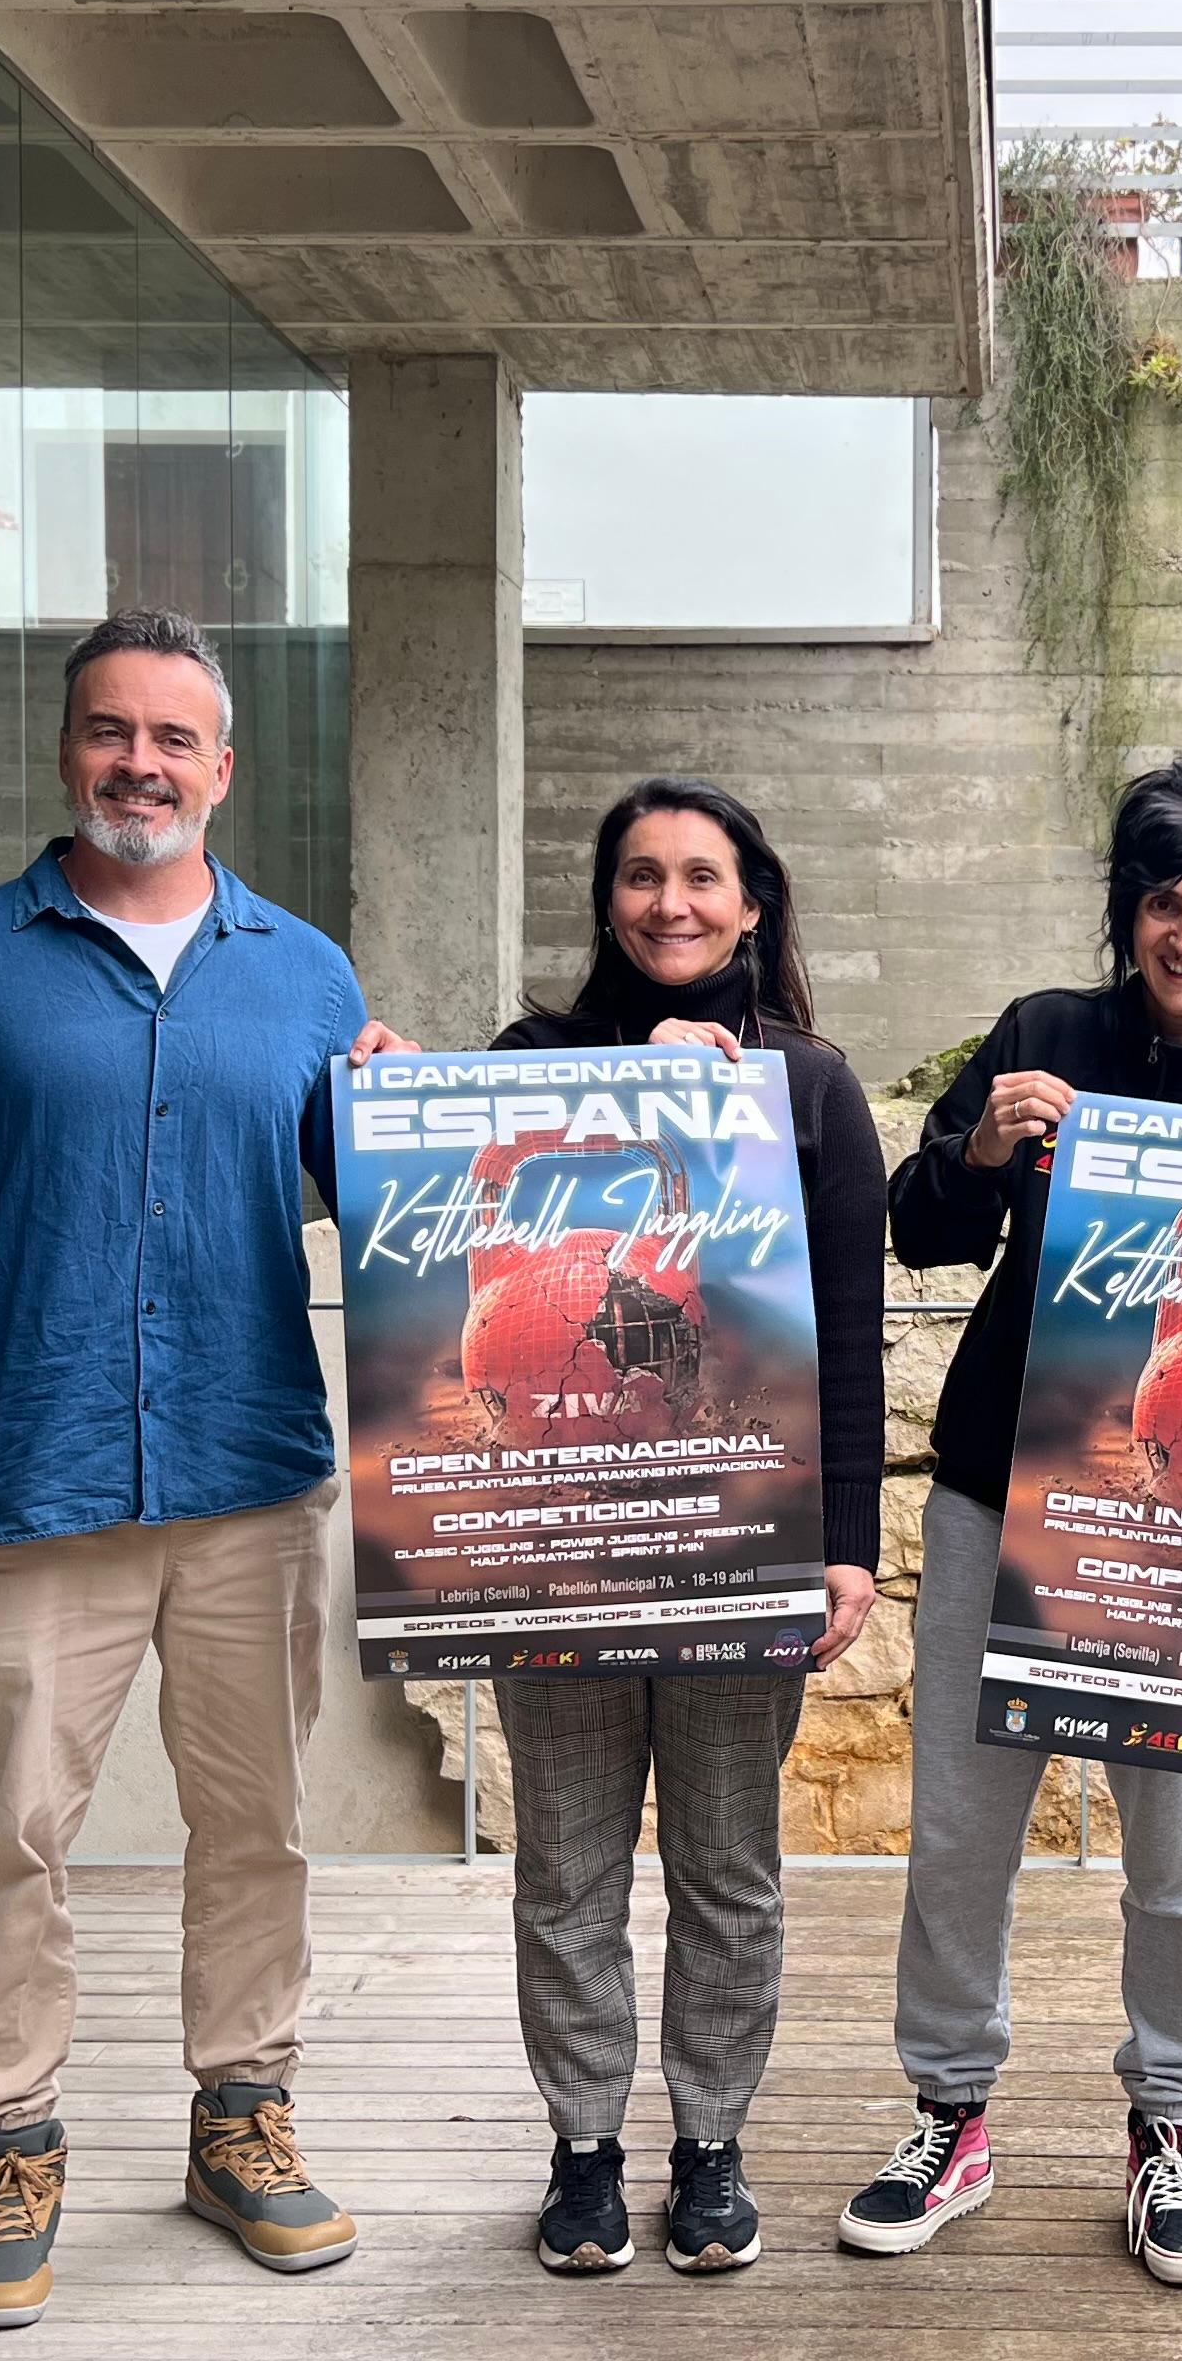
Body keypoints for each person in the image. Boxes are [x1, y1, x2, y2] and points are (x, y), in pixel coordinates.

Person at [0, 605, 397, 2332]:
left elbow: (405, 1221)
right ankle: (12, 2138)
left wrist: (434, 1117)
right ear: (71, 752)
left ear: (225, 769)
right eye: (112, 732)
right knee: (11, 1834)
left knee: (256, 1824)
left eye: (175, 739)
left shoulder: (307, 974)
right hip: (30, 1480)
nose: (143, 763)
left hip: (248, 1480)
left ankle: (242, 2120)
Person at [843, 756, 1182, 2290]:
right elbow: (915, 1227)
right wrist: (981, 1145)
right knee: (960, 1833)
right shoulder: (1042, 1040)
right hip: (1003, 1491)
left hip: (1176, 1531)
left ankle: (1170, 2131)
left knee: (1173, 1855)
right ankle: (951, 2114)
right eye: (1160, 903)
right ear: (1126, 913)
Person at [484, 780, 889, 2279]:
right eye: (642, 876)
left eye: (703, 877)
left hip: (746, 1539)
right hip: (555, 1540)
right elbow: (401, 1207)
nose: (672, 903)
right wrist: (372, 1088)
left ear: (753, 902)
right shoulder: (520, 1068)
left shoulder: (815, 1086)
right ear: (606, 901)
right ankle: (583, 2146)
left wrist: (847, 1540)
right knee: (566, 1866)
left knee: (730, 1864)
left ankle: (711, 2143)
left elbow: (849, 1329)